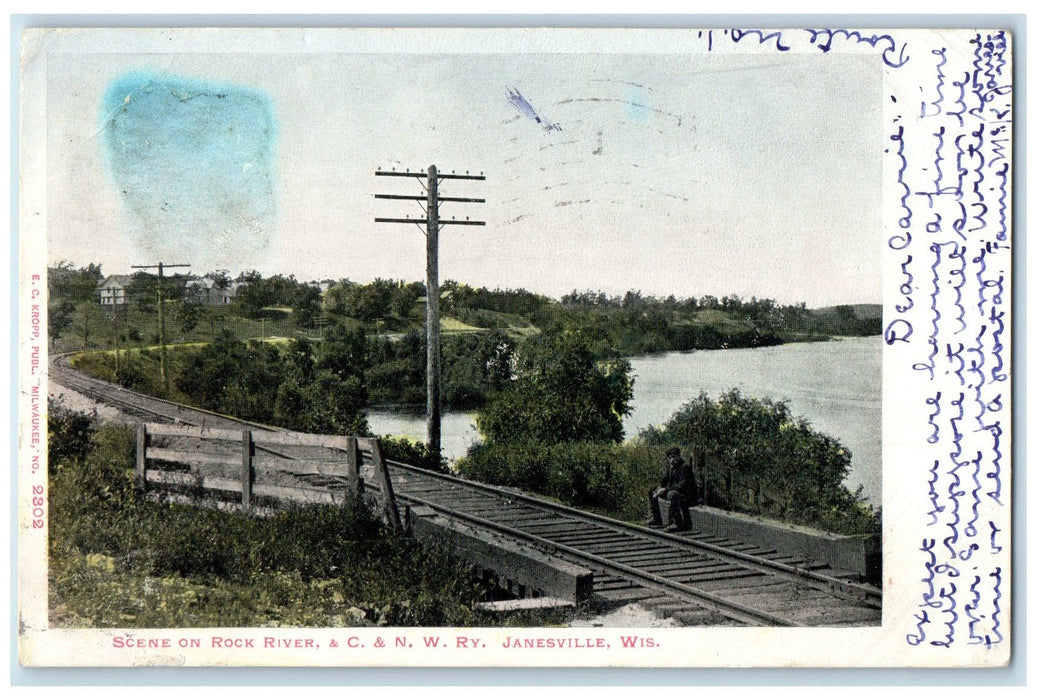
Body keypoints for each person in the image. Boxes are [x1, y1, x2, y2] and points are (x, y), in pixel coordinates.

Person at [644, 446, 698, 532]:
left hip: (687, 495)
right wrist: (659, 488)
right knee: (652, 491)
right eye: (670, 458)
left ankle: (676, 523)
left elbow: (682, 485)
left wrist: (665, 489)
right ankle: (656, 518)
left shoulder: (685, 467)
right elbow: (664, 480)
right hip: (675, 492)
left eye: (674, 457)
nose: (672, 460)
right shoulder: (670, 468)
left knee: (671, 494)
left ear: (679, 456)